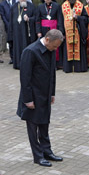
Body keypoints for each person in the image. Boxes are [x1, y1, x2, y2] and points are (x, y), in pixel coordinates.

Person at [17, 29, 64, 167]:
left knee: (44, 124)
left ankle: (47, 151)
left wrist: (52, 93)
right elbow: (25, 78)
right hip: (32, 96)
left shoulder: (50, 50)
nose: (55, 49)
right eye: (55, 46)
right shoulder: (30, 51)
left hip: (45, 94)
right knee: (33, 127)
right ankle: (38, 156)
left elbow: (52, 74)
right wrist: (27, 100)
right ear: (47, 39)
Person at [61, 0, 89, 73]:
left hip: (78, 32)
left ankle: (79, 68)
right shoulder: (63, 6)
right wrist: (62, 32)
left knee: (79, 50)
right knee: (67, 49)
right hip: (67, 32)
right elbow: (60, 19)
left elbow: (86, 18)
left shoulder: (80, 6)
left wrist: (78, 17)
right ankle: (68, 68)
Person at [8, 0, 36, 69]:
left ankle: (27, 64)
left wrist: (29, 19)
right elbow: (11, 21)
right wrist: (11, 33)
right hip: (17, 33)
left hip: (27, 33)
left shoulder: (31, 6)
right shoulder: (13, 7)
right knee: (17, 47)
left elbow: (35, 18)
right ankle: (18, 64)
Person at [36, 0, 63, 69]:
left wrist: (60, 31)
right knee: (45, 45)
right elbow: (37, 20)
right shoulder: (40, 6)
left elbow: (60, 19)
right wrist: (38, 31)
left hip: (54, 29)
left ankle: (55, 64)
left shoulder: (57, 6)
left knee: (54, 46)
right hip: (44, 29)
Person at [0, 0, 15, 64]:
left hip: (17, 25)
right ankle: (12, 58)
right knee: (10, 42)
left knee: (18, 41)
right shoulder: (2, 4)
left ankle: (18, 57)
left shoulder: (16, 1)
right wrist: (8, 24)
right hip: (8, 26)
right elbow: (3, 15)